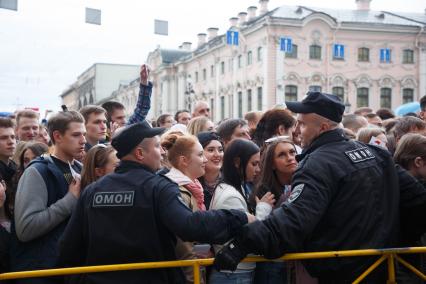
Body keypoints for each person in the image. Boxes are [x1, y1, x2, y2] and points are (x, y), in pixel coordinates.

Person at [213, 91, 426, 283]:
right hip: (382, 269)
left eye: (303, 124)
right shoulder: (377, 154)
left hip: (346, 274)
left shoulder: (318, 164)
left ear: (323, 127)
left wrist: (240, 245)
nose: (296, 130)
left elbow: (293, 221)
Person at [58, 121, 254, 284]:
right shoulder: (158, 187)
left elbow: (68, 247)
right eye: (157, 146)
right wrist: (239, 216)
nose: (162, 153)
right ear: (140, 154)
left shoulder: (94, 190)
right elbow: (189, 226)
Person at [11, 111, 84, 281]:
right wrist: (69, 201)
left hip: (71, 270)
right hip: (41, 273)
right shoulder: (37, 171)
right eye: (76, 135)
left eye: (84, 134)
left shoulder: (81, 168)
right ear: (57, 136)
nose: (83, 140)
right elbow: (26, 228)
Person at [209, 139, 275, 284]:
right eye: (254, 164)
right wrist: (263, 210)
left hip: (235, 272)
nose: (258, 169)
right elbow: (250, 237)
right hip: (233, 274)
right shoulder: (230, 195)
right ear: (238, 163)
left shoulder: (232, 188)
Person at [162, 132, 208, 283]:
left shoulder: (192, 187)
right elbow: (184, 249)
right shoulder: (179, 192)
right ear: (184, 161)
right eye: (201, 155)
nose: (205, 159)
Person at [197, 132, 223, 209]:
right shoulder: (192, 184)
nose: (217, 154)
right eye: (211, 150)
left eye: (220, 150)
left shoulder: (231, 180)